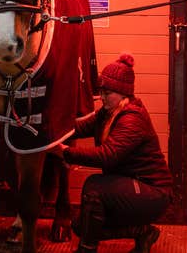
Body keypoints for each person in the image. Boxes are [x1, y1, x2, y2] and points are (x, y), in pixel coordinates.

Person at [49, 54, 172, 253]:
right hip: (130, 188)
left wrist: (66, 153)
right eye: (101, 92)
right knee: (81, 225)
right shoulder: (107, 114)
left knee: (95, 187)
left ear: (123, 93)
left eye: (108, 93)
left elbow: (108, 155)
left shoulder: (132, 118)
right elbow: (76, 129)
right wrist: (49, 128)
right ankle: (143, 232)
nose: (102, 97)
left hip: (153, 193)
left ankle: (86, 249)